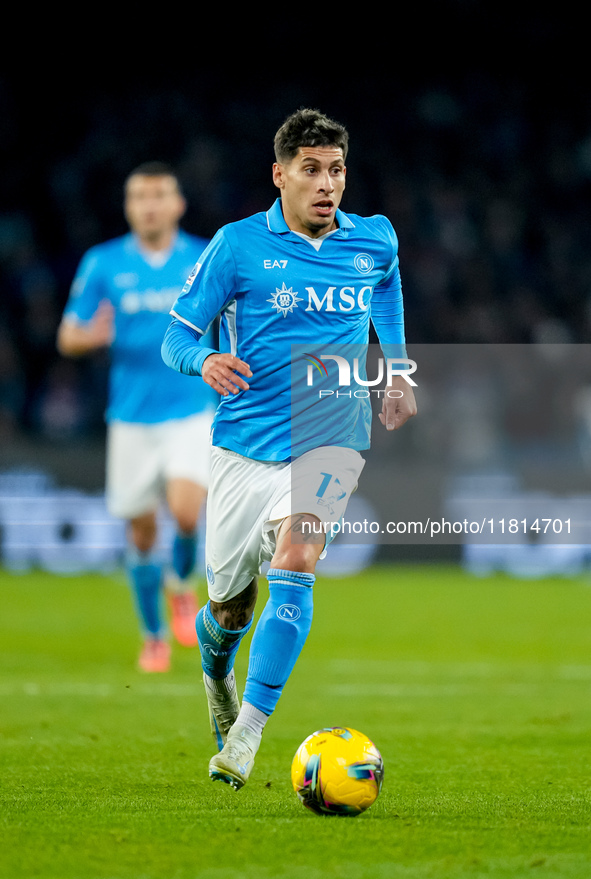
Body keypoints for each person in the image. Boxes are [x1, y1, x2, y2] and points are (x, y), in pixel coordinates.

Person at [161, 109, 417, 789]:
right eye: (310, 169)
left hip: (330, 433)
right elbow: (176, 338)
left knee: (299, 554)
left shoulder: (373, 239)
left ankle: (245, 735)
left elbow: (384, 286)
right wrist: (204, 360)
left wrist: (395, 367)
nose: (326, 183)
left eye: (335, 169)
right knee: (229, 611)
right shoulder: (237, 246)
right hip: (243, 447)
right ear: (279, 176)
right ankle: (216, 670)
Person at [57, 162, 216, 673]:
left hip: (191, 406)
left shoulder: (204, 257)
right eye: (139, 197)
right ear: (129, 207)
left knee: (188, 511)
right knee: (143, 532)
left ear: (177, 204)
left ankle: (182, 586)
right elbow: (68, 335)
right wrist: (93, 336)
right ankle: (153, 638)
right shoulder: (103, 263)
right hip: (130, 416)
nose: (149, 204)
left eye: (158, 195)